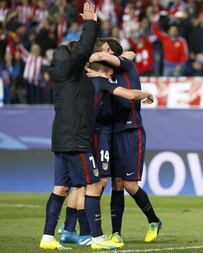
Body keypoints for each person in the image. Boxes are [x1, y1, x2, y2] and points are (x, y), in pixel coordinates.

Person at [39, 2, 123, 250]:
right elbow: (84, 49)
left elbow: (87, 65)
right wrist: (90, 24)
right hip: (77, 140)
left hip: (61, 140)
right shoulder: (73, 71)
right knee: (94, 183)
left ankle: (46, 238)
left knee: (61, 188)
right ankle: (96, 238)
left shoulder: (63, 76)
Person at [89, 39, 161, 244]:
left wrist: (87, 56)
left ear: (112, 53)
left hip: (131, 129)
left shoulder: (125, 65)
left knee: (130, 184)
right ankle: (116, 234)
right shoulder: (105, 75)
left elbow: (127, 55)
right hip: (112, 130)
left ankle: (154, 220)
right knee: (116, 184)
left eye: (106, 52)